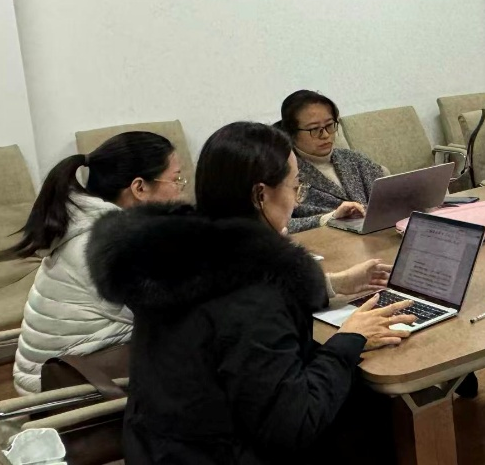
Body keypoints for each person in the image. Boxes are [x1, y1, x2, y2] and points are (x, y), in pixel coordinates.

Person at [88, 122, 416, 464]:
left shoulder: (177, 257)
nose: (296, 199)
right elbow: (296, 425)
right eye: (295, 187)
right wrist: (348, 339)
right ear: (261, 195)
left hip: (157, 446)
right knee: (374, 405)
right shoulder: (251, 296)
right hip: (219, 455)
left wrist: (333, 286)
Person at [10, 132, 183, 394]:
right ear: (139, 188)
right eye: (176, 179)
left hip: (53, 379)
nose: (182, 190)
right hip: (72, 398)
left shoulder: (88, 225)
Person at [277, 90, 387, 233]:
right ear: (292, 133)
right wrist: (329, 218)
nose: (325, 135)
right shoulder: (285, 172)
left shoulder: (354, 159)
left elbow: (388, 197)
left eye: (330, 125)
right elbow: (277, 224)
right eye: (314, 129)